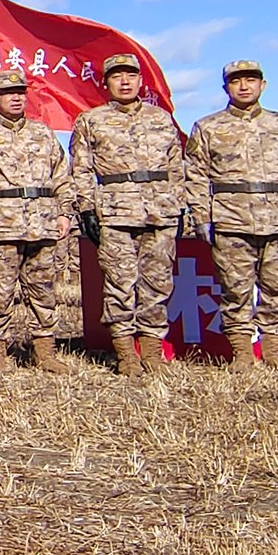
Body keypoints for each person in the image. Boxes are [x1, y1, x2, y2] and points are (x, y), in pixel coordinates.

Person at [183, 60, 278, 373]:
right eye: (236, 81)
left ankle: (273, 352)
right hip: (231, 220)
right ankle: (242, 354)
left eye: (250, 80)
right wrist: (202, 216)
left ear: (263, 85)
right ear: (225, 88)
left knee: (275, 289)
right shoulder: (208, 127)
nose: (244, 86)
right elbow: (196, 175)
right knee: (235, 289)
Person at [69, 53, 186, 377]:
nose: (124, 81)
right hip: (116, 213)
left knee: (157, 283)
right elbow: (80, 169)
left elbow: (176, 167)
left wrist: (178, 204)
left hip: (160, 212)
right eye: (117, 76)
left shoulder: (161, 119)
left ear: (140, 80)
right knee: (120, 284)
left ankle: (151, 351)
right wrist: (86, 208)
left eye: (130, 76)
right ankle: (125, 354)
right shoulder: (91, 120)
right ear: (106, 83)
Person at [0, 71, 73, 374]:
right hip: (3, 225)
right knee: (1, 292)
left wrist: (64, 213)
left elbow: (61, 177)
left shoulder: (43, 133)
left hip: (43, 224)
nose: (15, 98)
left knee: (43, 291)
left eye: (19, 92)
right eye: (7, 93)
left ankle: (44, 353)